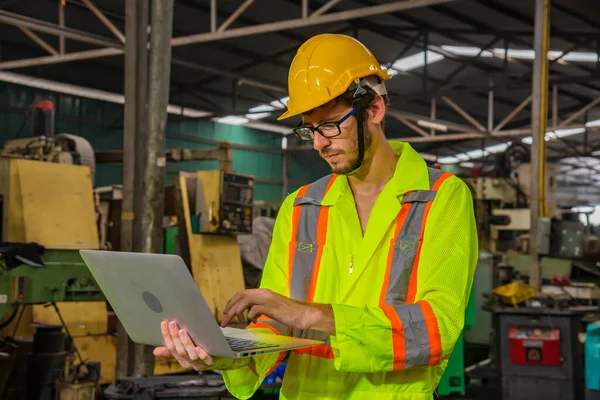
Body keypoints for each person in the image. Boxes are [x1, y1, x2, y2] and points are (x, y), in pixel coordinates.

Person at [153, 33, 478, 400]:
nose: (320, 143)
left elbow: (438, 328)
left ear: (373, 110)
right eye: (310, 129)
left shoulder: (442, 198)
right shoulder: (301, 206)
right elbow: (276, 324)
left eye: (329, 125)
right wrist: (218, 354)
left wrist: (311, 315)